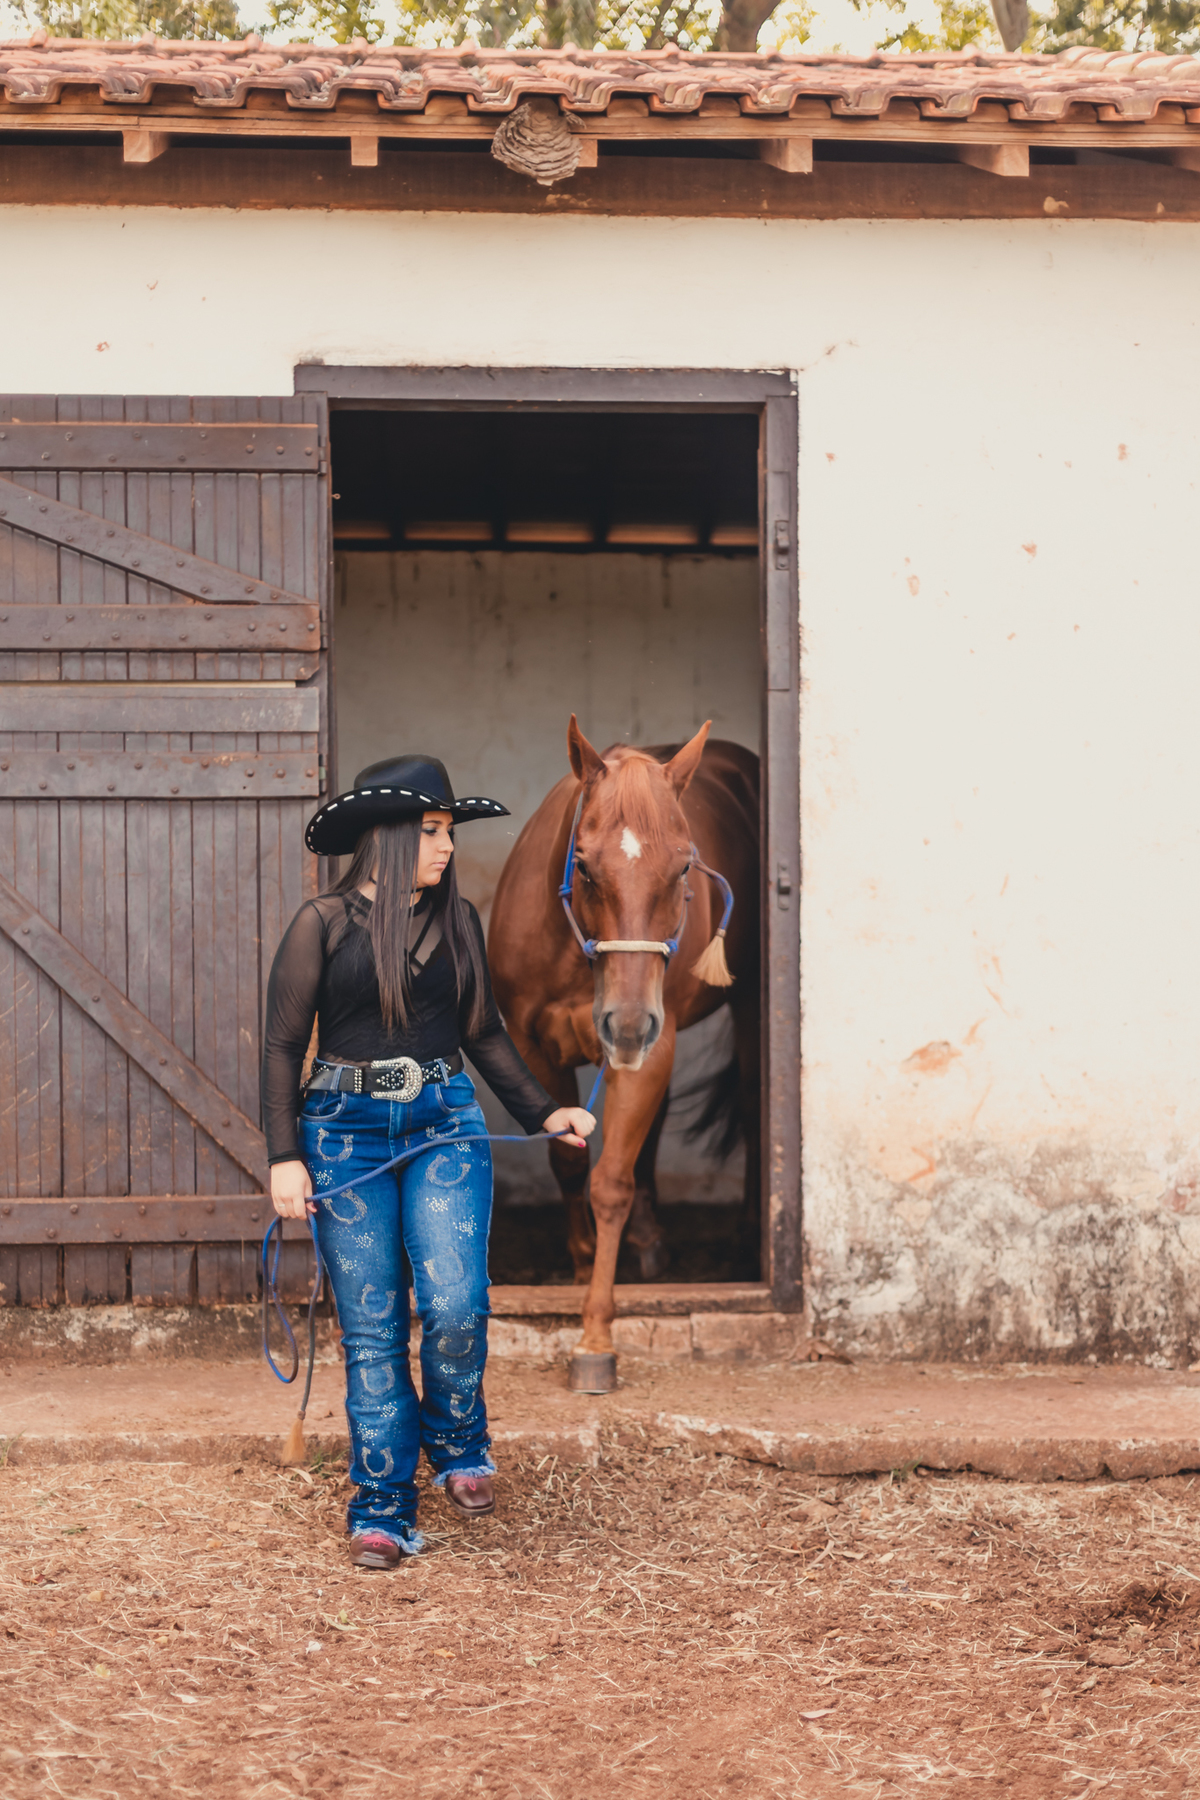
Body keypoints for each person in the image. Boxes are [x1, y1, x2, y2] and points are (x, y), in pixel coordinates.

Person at [261, 753, 595, 1571]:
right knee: (372, 1329)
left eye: (449, 831)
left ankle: (457, 1438)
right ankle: (381, 1507)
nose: (447, 847)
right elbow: (280, 1046)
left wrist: (544, 1112)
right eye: (434, 831)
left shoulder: (458, 920)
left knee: (455, 1303)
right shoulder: (321, 924)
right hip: (342, 1135)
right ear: (388, 836)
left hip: (444, 1121)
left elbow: (483, 1032)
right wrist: (283, 1157)